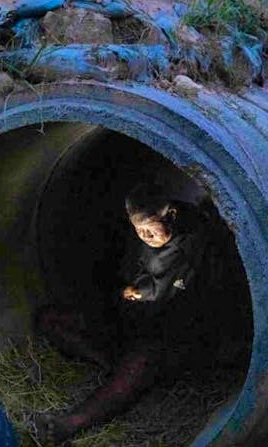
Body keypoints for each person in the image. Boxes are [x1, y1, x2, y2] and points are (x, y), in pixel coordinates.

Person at [34, 182, 233, 445]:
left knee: (139, 364)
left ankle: (68, 424)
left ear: (171, 215)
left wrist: (139, 294)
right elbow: (121, 275)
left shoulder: (194, 243)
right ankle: (109, 362)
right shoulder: (140, 237)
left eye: (150, 228)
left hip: (170, 336)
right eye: (139, 230)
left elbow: (176, 295)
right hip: (128, 321)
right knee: (49, 319)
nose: (145, 236)